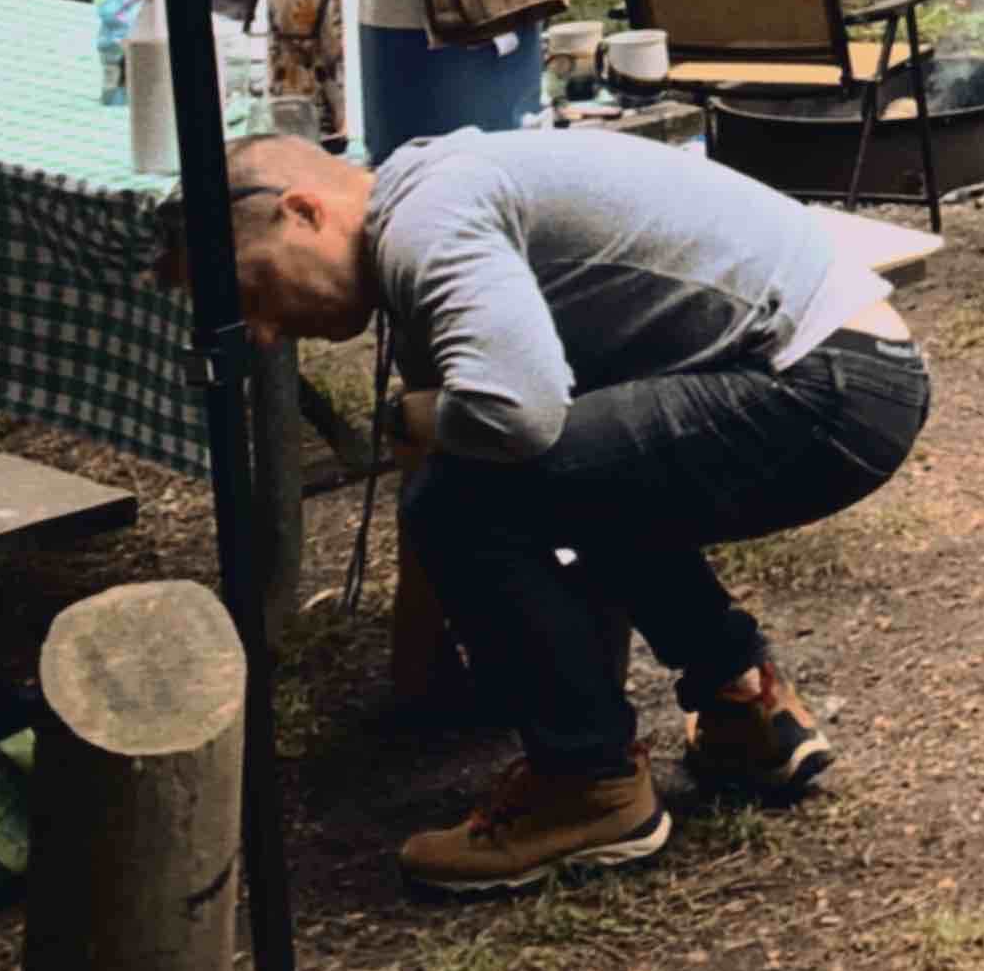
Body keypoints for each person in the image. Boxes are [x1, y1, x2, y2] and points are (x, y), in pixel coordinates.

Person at [162, 128, 931, 897]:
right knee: (563, 473)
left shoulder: (429, 225)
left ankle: (586, 784)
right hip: (837, 367)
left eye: (250, 292)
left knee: (466, 498)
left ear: (303, 211)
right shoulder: (429, 199)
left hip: (827, 386)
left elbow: (518, 417)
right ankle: (741, 705)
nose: (260, 333)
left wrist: (410, 421)